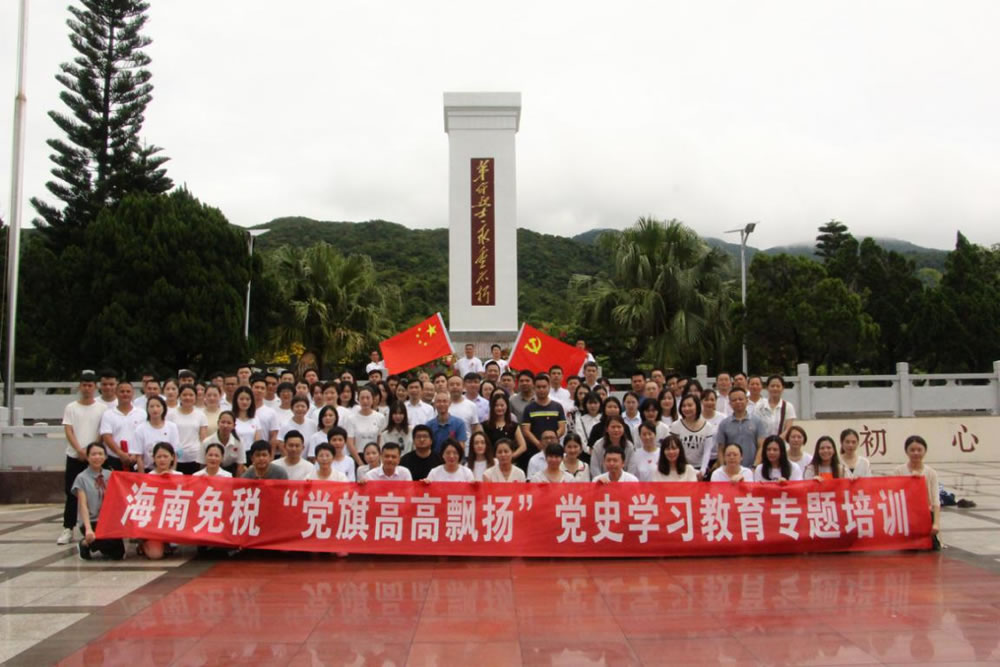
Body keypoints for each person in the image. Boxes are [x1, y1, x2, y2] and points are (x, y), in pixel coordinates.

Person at [59, 371, 108, 545]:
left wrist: (91, 452)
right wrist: (80, 450)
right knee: (72, 493)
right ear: (80, 387)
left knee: (100, 492)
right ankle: (68, 528)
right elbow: (68, 430)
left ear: (95, 387)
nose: (87, 388)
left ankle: (101, 526)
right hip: (75, 455)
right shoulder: (71, 407)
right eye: (84, 385)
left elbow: (102, 432)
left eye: (90, 385)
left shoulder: (102, 408)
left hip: (96, 457)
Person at [73, 443, 125, 560]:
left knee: (118, 554)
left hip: (107, 521)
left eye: (100, 454)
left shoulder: (111, 475)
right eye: (93, 454)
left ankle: (91, 544)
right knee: (108, 542)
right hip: (92, 521)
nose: (97, 457)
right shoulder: (81, 478)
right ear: (87, 457)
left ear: (105, 457)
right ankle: (85, 543)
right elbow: (83, 505)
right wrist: (88, 528)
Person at [894, 435, 941, 546]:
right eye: (912, 450)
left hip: (926, 516)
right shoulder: (899, 471)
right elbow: (895, 496)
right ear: (906, 451)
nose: (916, 453)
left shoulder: (931, 473)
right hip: (906, 518)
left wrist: (936, 524)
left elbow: (936, 501)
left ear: (925, 451)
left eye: (919, 450)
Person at [140, 442, 184, 560]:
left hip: (172, 517)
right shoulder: (149, 477)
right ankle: (143, 544)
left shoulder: (180, 475)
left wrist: (170, 480)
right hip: (154, 521)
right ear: (153, 458)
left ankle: (168, 544)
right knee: (155, 555)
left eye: (165, 456)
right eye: (159, 457)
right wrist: (160, 480)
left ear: (172, 457)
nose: (162, 460)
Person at [99, 379, 146, 472]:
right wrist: (120, 453)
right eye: (122, 391)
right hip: (114, 458)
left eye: (128, 391)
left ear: (133, 393)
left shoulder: (142, 413)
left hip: (136, 459)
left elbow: (144, 435)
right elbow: (106, 436)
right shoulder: (108, 414)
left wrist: (135, 454)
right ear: (116, 393)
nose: (125, 394)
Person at [520, 374, 567, 466]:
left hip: (554, 450)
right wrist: (539, 443)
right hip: (534, 449)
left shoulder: (557, 406)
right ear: (534, 388)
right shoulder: (529, 408)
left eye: (544, 387)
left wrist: (551, 440)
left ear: (549, 387)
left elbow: (562, 428)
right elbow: (526, 430)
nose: (541, 390)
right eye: (538, 387)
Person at [715, 388, 766, 471]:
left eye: (740, 399)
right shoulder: (724, 424)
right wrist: (723, 468)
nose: (738, 402)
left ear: (747, 401)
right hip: (731, 469)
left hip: (752, 469)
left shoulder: (757, 421)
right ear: (730, 403)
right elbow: (721, 449)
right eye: (734, 400)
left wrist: (755, 466)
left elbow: (761, 446)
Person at [670, 395, 717, 478]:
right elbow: (674, 449)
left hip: (700, 467)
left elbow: (707, 451)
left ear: (697, 406)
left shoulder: (708, 427)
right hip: (681, 467)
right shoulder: (675, 426)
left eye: (690, 405)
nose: (686, 408)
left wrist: (702, 471)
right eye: (684, 406)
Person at [167, 384, 208, 474]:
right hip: (176, 457)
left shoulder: (201, 415)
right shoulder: (170, 415)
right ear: (179, 396)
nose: (187, 397)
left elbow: (203, 439)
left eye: (191, 395)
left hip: (195, 457)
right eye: (184, 395)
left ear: (195, 397)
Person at [134, 396, 180, 472]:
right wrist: (142, 476)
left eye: (158, 406)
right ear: (147, 409)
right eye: (151, 406)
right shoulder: (140, 429)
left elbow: (175, 453)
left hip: (167, 471)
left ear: (164, 408)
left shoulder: (172, 427)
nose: (155, 409)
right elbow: (139, 456)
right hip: (147, 470)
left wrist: (172, 472)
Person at [482, 392, 527, 466]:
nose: (499, 408)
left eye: (502, 405)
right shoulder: (485, 426)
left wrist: (511, 457)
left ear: (507, 406)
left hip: (510, 464)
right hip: (491, 464)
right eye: (496, 405)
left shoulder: (513, 425)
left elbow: (523, 446)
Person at [348, 387, 386, 465]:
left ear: (373, 399)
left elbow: (380, 440)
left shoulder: (380, 417)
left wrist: (378, 459)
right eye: (362, 398)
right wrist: (360, 462)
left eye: (368, 398)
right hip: (358, 456)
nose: (365, 401)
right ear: (358, 400)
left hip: (375, 456)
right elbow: (350, 443)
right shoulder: (351, 418)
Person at [231, 387, 262, 462]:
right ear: (236, 400)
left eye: (248, 399)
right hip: (234, 454)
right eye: (241, 399)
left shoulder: (255, 418)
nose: (244, 402)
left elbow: (257, 441)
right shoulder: (231, 417)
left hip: (250, 455)